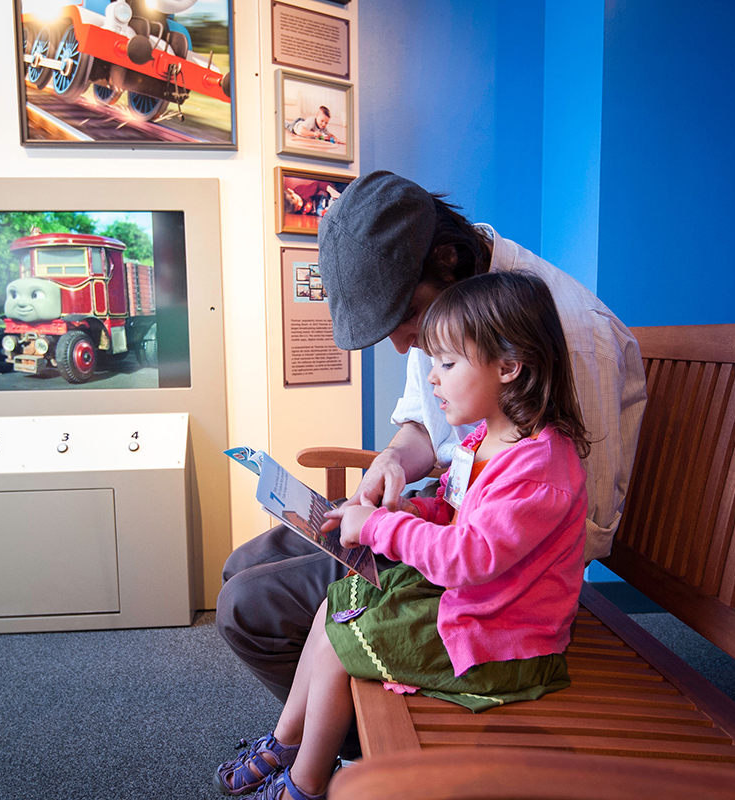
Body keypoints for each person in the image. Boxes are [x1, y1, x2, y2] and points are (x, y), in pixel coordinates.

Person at [216, 170, 647, 710]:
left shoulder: (574, 337)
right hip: (448, 528)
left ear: (447, 257)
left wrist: (413, 552)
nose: (404, 348)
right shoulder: (453, 310)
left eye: (407, 318)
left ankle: (349, 751)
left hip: (489, 580)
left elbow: (587, 524)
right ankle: (335, 727)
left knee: (246, 604)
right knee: (244, 565)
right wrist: (394, 461)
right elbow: (426, 423)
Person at [214, 272, 590, 799]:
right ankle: (288, 740)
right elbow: (455, 510)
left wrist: (381, 526)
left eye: (447, 363)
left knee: (340, 640)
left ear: (508, 367)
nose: (431, 379)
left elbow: (469, 556)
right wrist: (411, 507)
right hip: (476, 605)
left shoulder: (540, 465)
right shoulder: (486, 439)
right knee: (333, 607)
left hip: (503, 639)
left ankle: (305, 784)